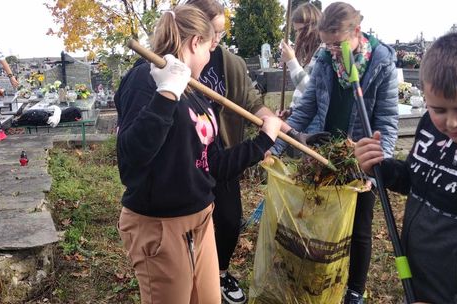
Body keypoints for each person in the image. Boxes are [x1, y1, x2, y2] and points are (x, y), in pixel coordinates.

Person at [114, 5, 281, 304]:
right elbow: (131, 161)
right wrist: (165, 95)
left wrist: (262, 142)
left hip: (202, 222)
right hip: (160, 226)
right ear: (195, 43)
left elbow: (213, 165)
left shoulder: (193, 90)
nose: (211, 55)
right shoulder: (145, 80)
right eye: (209, 46)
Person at [183, 1, 328, 302]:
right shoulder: (174, 61)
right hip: (186, 158)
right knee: (191, 222)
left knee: (229, 217)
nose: (218, 40)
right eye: (215, 32)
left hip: (222, 152)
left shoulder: (228, 63)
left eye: (223, 33)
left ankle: (219, 273)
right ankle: (189, 276)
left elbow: (252, 103)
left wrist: (292, 133)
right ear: (196, 30)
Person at [272, 2, 399, 303]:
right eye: (326, 44)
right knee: (321, 219)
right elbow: (306, 108)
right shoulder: (325, 60)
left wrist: (377, 167)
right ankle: (321, 273)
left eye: (336, 43)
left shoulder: (381, 63)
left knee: (360, 226)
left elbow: (387, 122)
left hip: (362, 156)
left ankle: (354, 288)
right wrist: (275, 143)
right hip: (325, 151)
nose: (330, 50)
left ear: (356, 32)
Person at [355, 30, 457, 304]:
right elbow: (416, 179)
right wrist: (380, 167)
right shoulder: (429, 125)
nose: (451, 123)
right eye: (439, 109)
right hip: (418, 284)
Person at [279, 2, 322, 115]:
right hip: (300, 119)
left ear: (314, 26)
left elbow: (311, 92)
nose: (298, 35)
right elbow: (302, 95)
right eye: (296, 30)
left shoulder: (322, 53)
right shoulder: (310, 52)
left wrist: (291, 62)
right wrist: (291, 111)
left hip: (311, 126)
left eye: (301, 30)